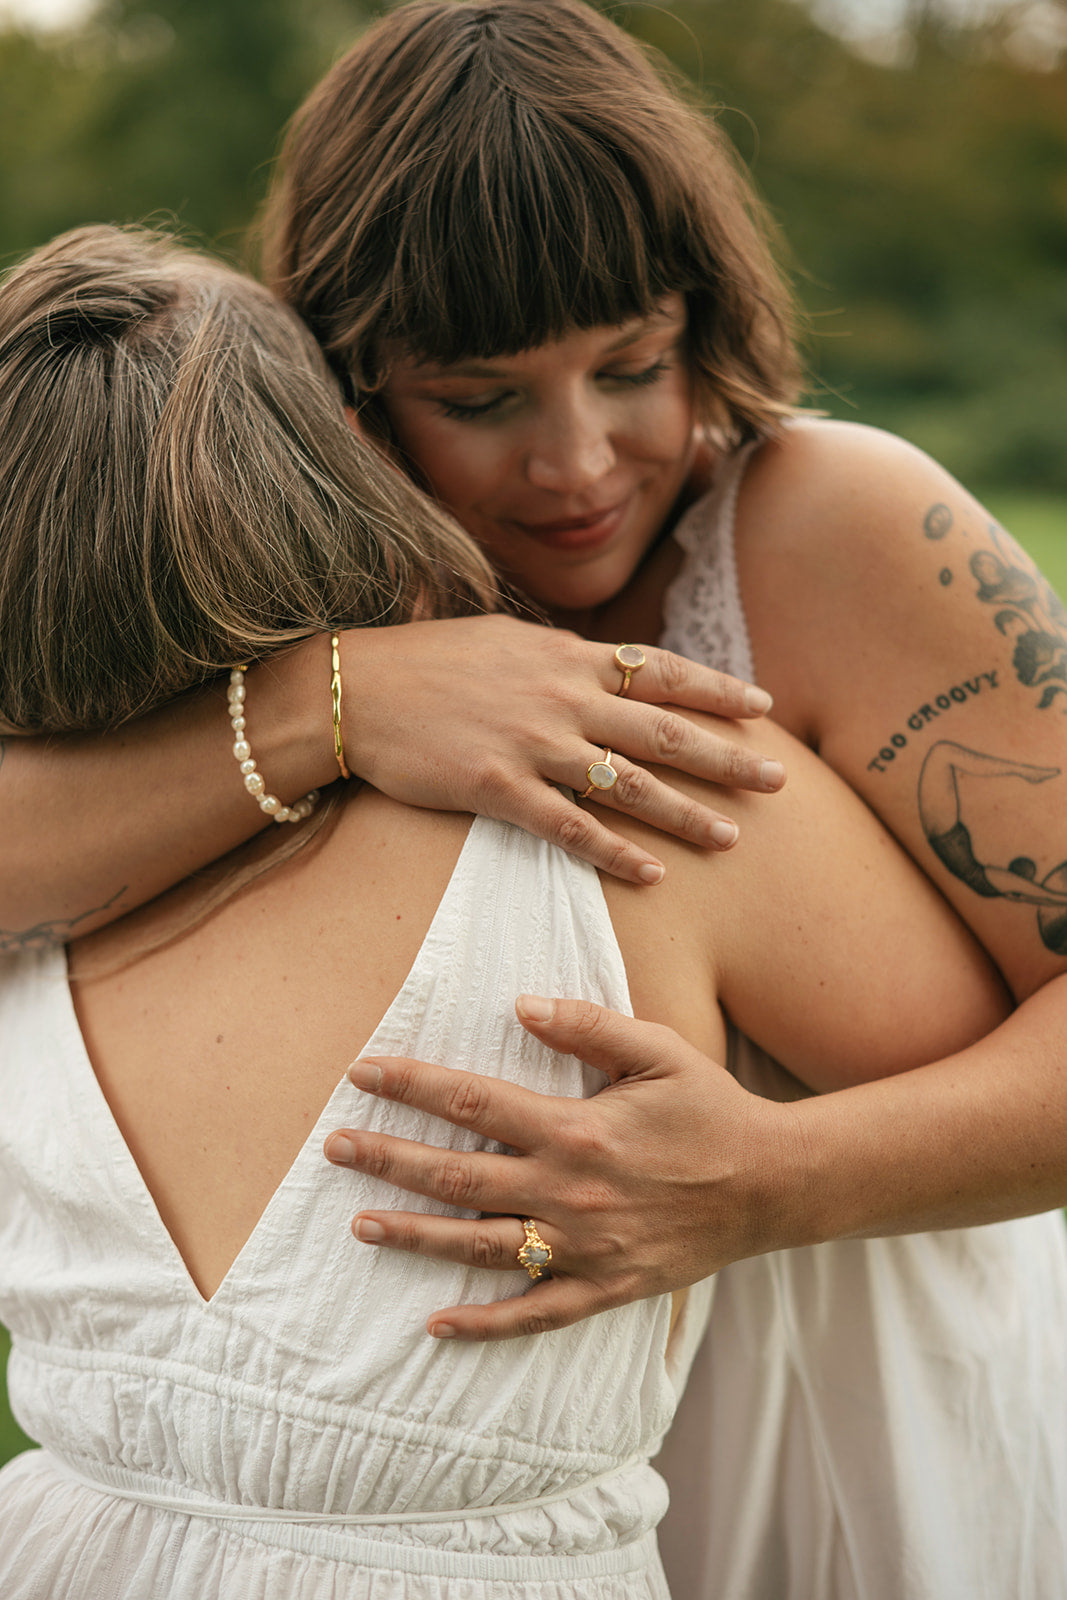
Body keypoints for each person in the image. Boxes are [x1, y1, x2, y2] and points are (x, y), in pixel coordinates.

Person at [2, 0, 1067, 1591]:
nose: (576, 464)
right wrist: (328, 706)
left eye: (632, 367)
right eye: (481, 399)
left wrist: (768, 1183)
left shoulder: (834, 528)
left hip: (844, 1343)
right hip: (493, 1419)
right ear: (347, 389)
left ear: (703, 322)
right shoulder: (322, 614)